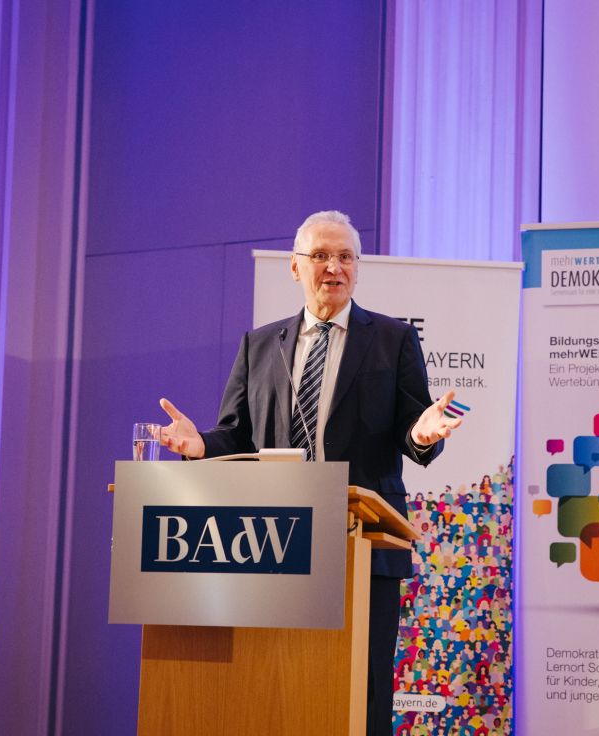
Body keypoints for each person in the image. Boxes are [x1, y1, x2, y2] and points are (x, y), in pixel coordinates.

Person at [157, 210, 461, 736]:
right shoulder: (259, 345)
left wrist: (423, 432)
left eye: (345, 257)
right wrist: (199, 444)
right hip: (274, 545)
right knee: (277, 688)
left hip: (364, 547)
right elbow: (236, 434)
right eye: (320, 255)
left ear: (358, 268)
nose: (334, 267)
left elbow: (411, 429)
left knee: (363, 693)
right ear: (295, 267)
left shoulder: (392, 340)